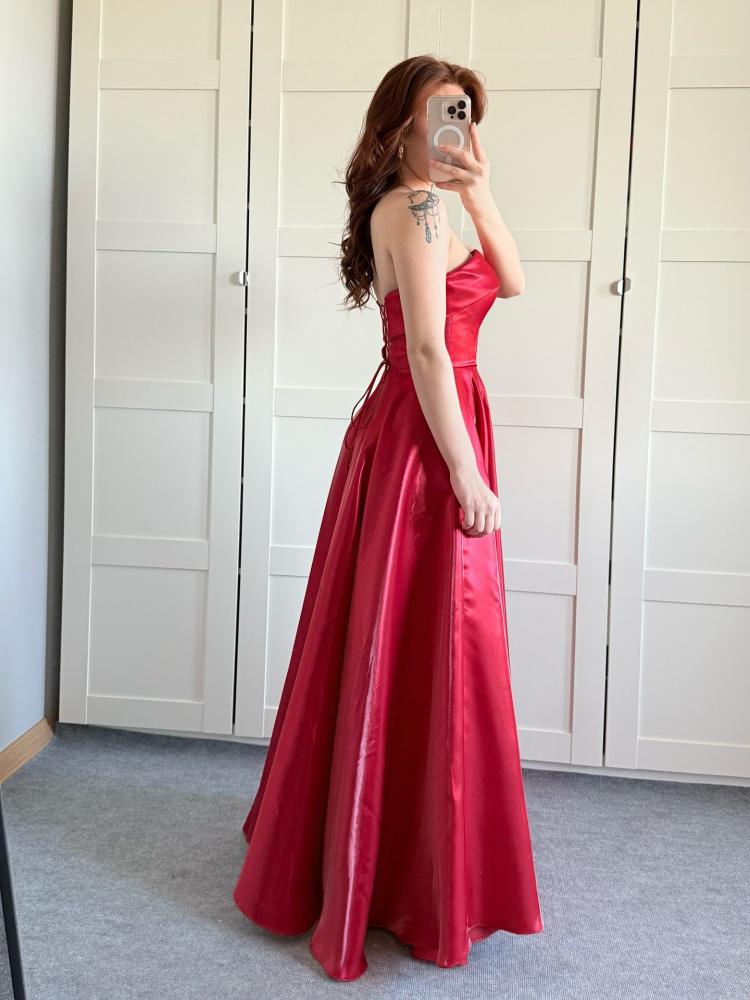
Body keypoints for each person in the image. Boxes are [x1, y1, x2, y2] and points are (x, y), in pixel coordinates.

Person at [233, 55, 544, 982]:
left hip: (427, 423)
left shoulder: (439, 203)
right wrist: (464, 469)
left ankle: (404, 853)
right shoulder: (413, 210)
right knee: (429, 637)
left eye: (467, 111)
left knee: (421, 639)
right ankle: (400, 869)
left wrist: (479, 188)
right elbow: (428, 348)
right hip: (426, 437)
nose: (459, 124)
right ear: (400, 123)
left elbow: (512, 282)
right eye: (443, 111)